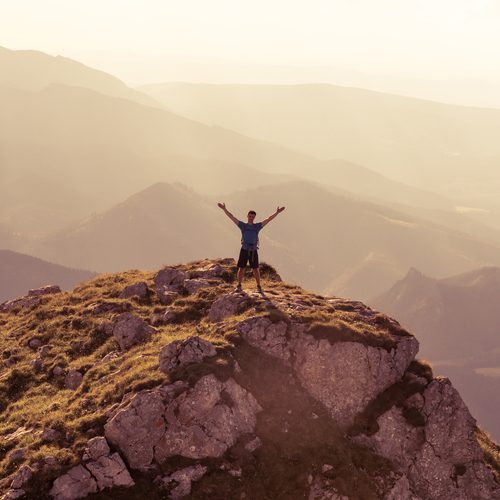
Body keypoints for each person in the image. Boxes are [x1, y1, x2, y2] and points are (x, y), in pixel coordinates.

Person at [217, 203, 285, 292]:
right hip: (244, 249)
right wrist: (224, 209)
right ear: (247, 216)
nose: (251, 218)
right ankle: (239, 285)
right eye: (250, 216)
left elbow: (268, 219)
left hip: (253, 250)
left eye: (252, 217)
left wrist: (277, 213)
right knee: (241, 268)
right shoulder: (243, 226)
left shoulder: (257, 226)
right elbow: (232, 217)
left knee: (255, 269)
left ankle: (258, 286)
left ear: (254, 217)